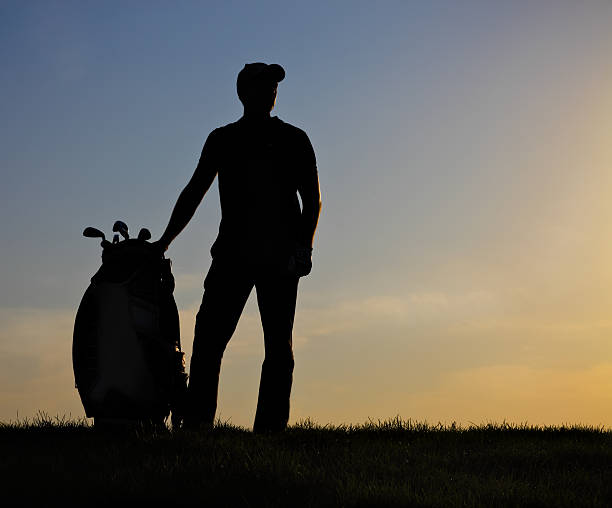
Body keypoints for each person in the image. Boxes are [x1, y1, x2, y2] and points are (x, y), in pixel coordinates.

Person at [154, 63, 321, 433]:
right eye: (264, 86)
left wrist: (304, 248)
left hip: (280, 258)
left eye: (274, 87)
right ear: (244, 93)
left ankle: (270, 432)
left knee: (278, 348)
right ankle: (197, 425)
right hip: (232, 255)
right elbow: (194, 191)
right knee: (209, 341)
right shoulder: (223, 139)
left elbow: (312, 199)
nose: (272, 93)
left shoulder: (295, 139)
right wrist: (164, 241)